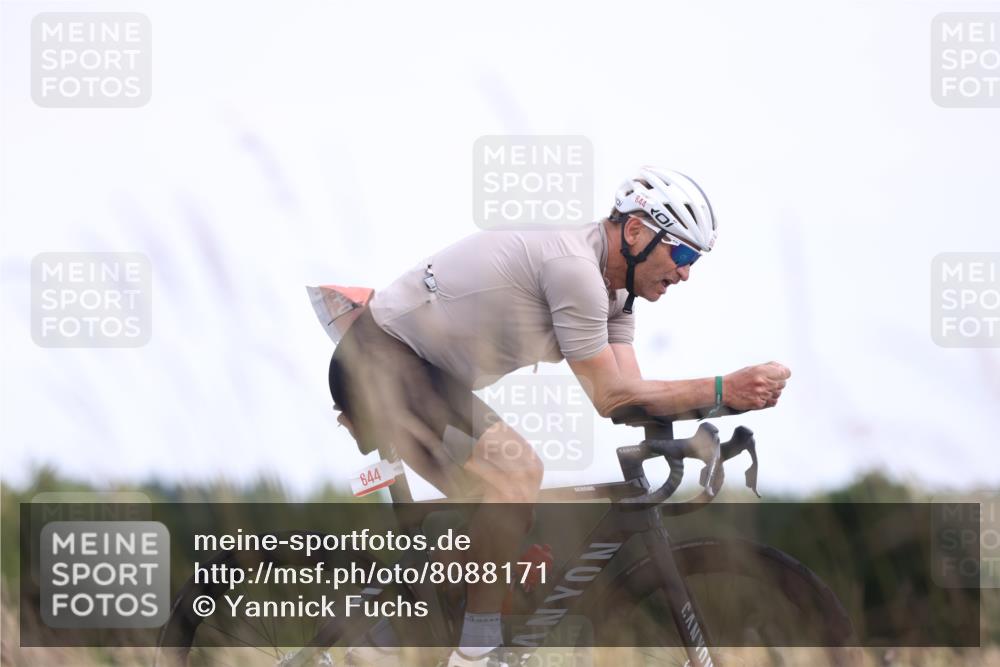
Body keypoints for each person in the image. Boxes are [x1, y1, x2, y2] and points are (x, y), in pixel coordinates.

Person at [329, 166, 791, 666]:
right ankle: (473, 655)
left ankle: (381, 638)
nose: (684, 272)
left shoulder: (617, 298)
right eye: (680, 253)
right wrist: (726, 387)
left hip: (425, 374)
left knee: (504, 513)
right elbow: (611, 396)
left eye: (693, 260)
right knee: (518, 473)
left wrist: (707, 418)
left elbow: (632, 399)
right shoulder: (575, 271)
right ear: (635, 232)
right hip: (383, 361)